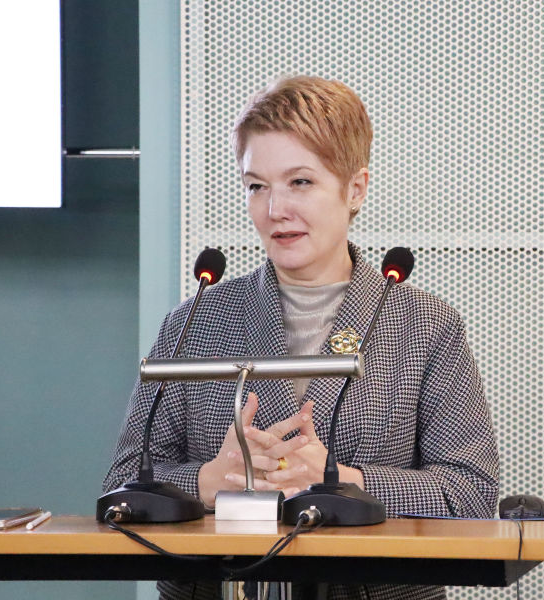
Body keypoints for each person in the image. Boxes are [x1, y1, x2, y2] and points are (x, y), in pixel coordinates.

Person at [103, 75, 499, 600]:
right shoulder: (193, 322)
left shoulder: (425, 325)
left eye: (300, 182)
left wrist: (344, 482)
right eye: (256, 186)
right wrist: (210, 481)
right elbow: (120, 484)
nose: (275, 210)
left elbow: (472, 494)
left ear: (355, 189)